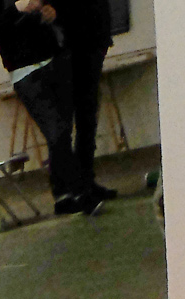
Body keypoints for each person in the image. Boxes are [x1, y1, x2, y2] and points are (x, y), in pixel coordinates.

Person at [0, 0, 101, 216]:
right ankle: (80, 192)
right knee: (56, 132)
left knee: (61, 133)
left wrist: (51, 12)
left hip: (54, 57)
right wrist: (17, 8)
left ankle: (63, 197)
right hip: (24, 71)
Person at [63, 0, 116, 202]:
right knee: (84, 118)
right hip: (79, 45)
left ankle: (86, 180)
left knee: (88, 118)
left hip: (91, 42)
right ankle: (81, 184)